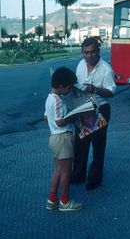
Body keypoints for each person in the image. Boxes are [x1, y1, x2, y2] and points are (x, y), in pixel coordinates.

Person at [71, 37, 116, 190]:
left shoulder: (106, 69)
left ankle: (95, 178)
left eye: (93, 52)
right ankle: (78, 174)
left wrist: (95, 89)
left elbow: (111, 92)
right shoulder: (80, 65)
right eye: (86, 52)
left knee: (98, 145)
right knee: (80, 143)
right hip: (83, 107)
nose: (89, 56)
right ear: (82, 52)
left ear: (98, 51)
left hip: (100, 108)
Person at [44, 67, 83, 212]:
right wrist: (74, 114)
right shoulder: (58, 100)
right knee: (66, 172)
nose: (71, 89)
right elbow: (60, 121)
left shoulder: (49, 98)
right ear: (61, 86)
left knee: (58, 171)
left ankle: (52, 199)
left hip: (54, 137)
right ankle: (65, 202)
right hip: (63, 138)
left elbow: (46, 117)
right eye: (69, 86)